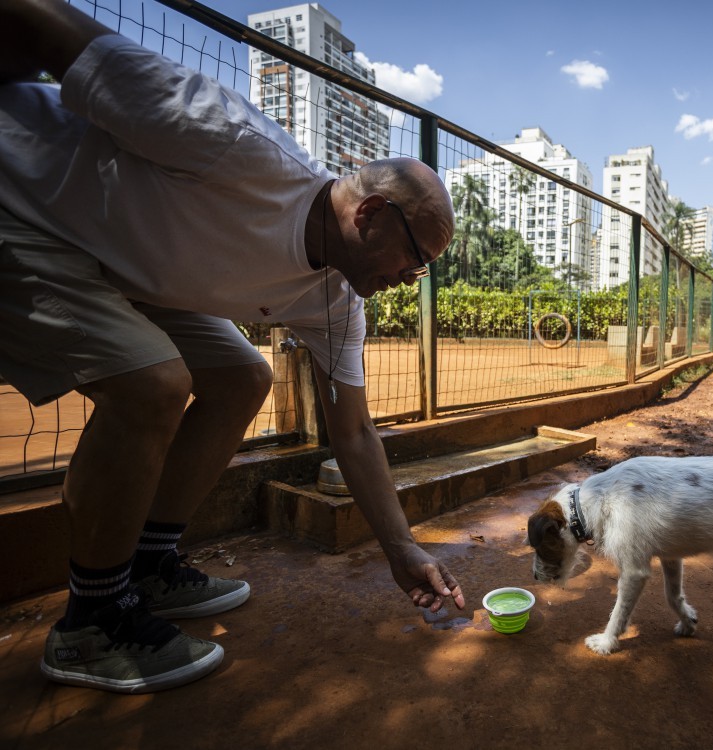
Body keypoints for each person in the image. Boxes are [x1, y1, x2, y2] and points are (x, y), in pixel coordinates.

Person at [0, 0, 464, 694]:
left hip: (120, 264)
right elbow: (41, 21)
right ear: (369, 213)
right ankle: (92, 622)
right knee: (152, 383)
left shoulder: (336, 299)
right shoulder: (232, 144)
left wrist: (401, 549)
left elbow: (355, 432)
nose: (408, 279)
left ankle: (149, 565)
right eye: (412, 258)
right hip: (24, 206)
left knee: (242, 378)